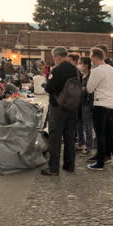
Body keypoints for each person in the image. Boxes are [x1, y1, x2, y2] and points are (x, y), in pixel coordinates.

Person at [42, 47, 80, 176]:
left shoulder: (57, 70)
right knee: (70, 137)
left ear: (57, 56)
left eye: (54, 58)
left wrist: (46, 84)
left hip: (57, 108)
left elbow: (49, 88)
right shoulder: (75, 69)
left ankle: (53, 168)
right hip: (72, 107)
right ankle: (69, 165)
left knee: (55, 138)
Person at [86, 48, 113, 170]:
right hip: (111, 105)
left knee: (100, 135)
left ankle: (100, 163)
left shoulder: (96, 71)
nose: (90, 59)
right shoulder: (112, 69)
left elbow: (89, 89)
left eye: (91, 56)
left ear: (95, 57)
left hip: (100, 105)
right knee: (111, 133)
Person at [78, 57, 94, 155]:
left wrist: (82, 89)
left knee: (87, 125)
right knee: (79, 124)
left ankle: (89, 147)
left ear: (86, 65)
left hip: (87, 103)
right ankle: (81, 143)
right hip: (79, 102)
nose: (79, 65)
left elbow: (90, 89)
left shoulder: (91, 75)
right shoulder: (81, 75)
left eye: (81, 64)